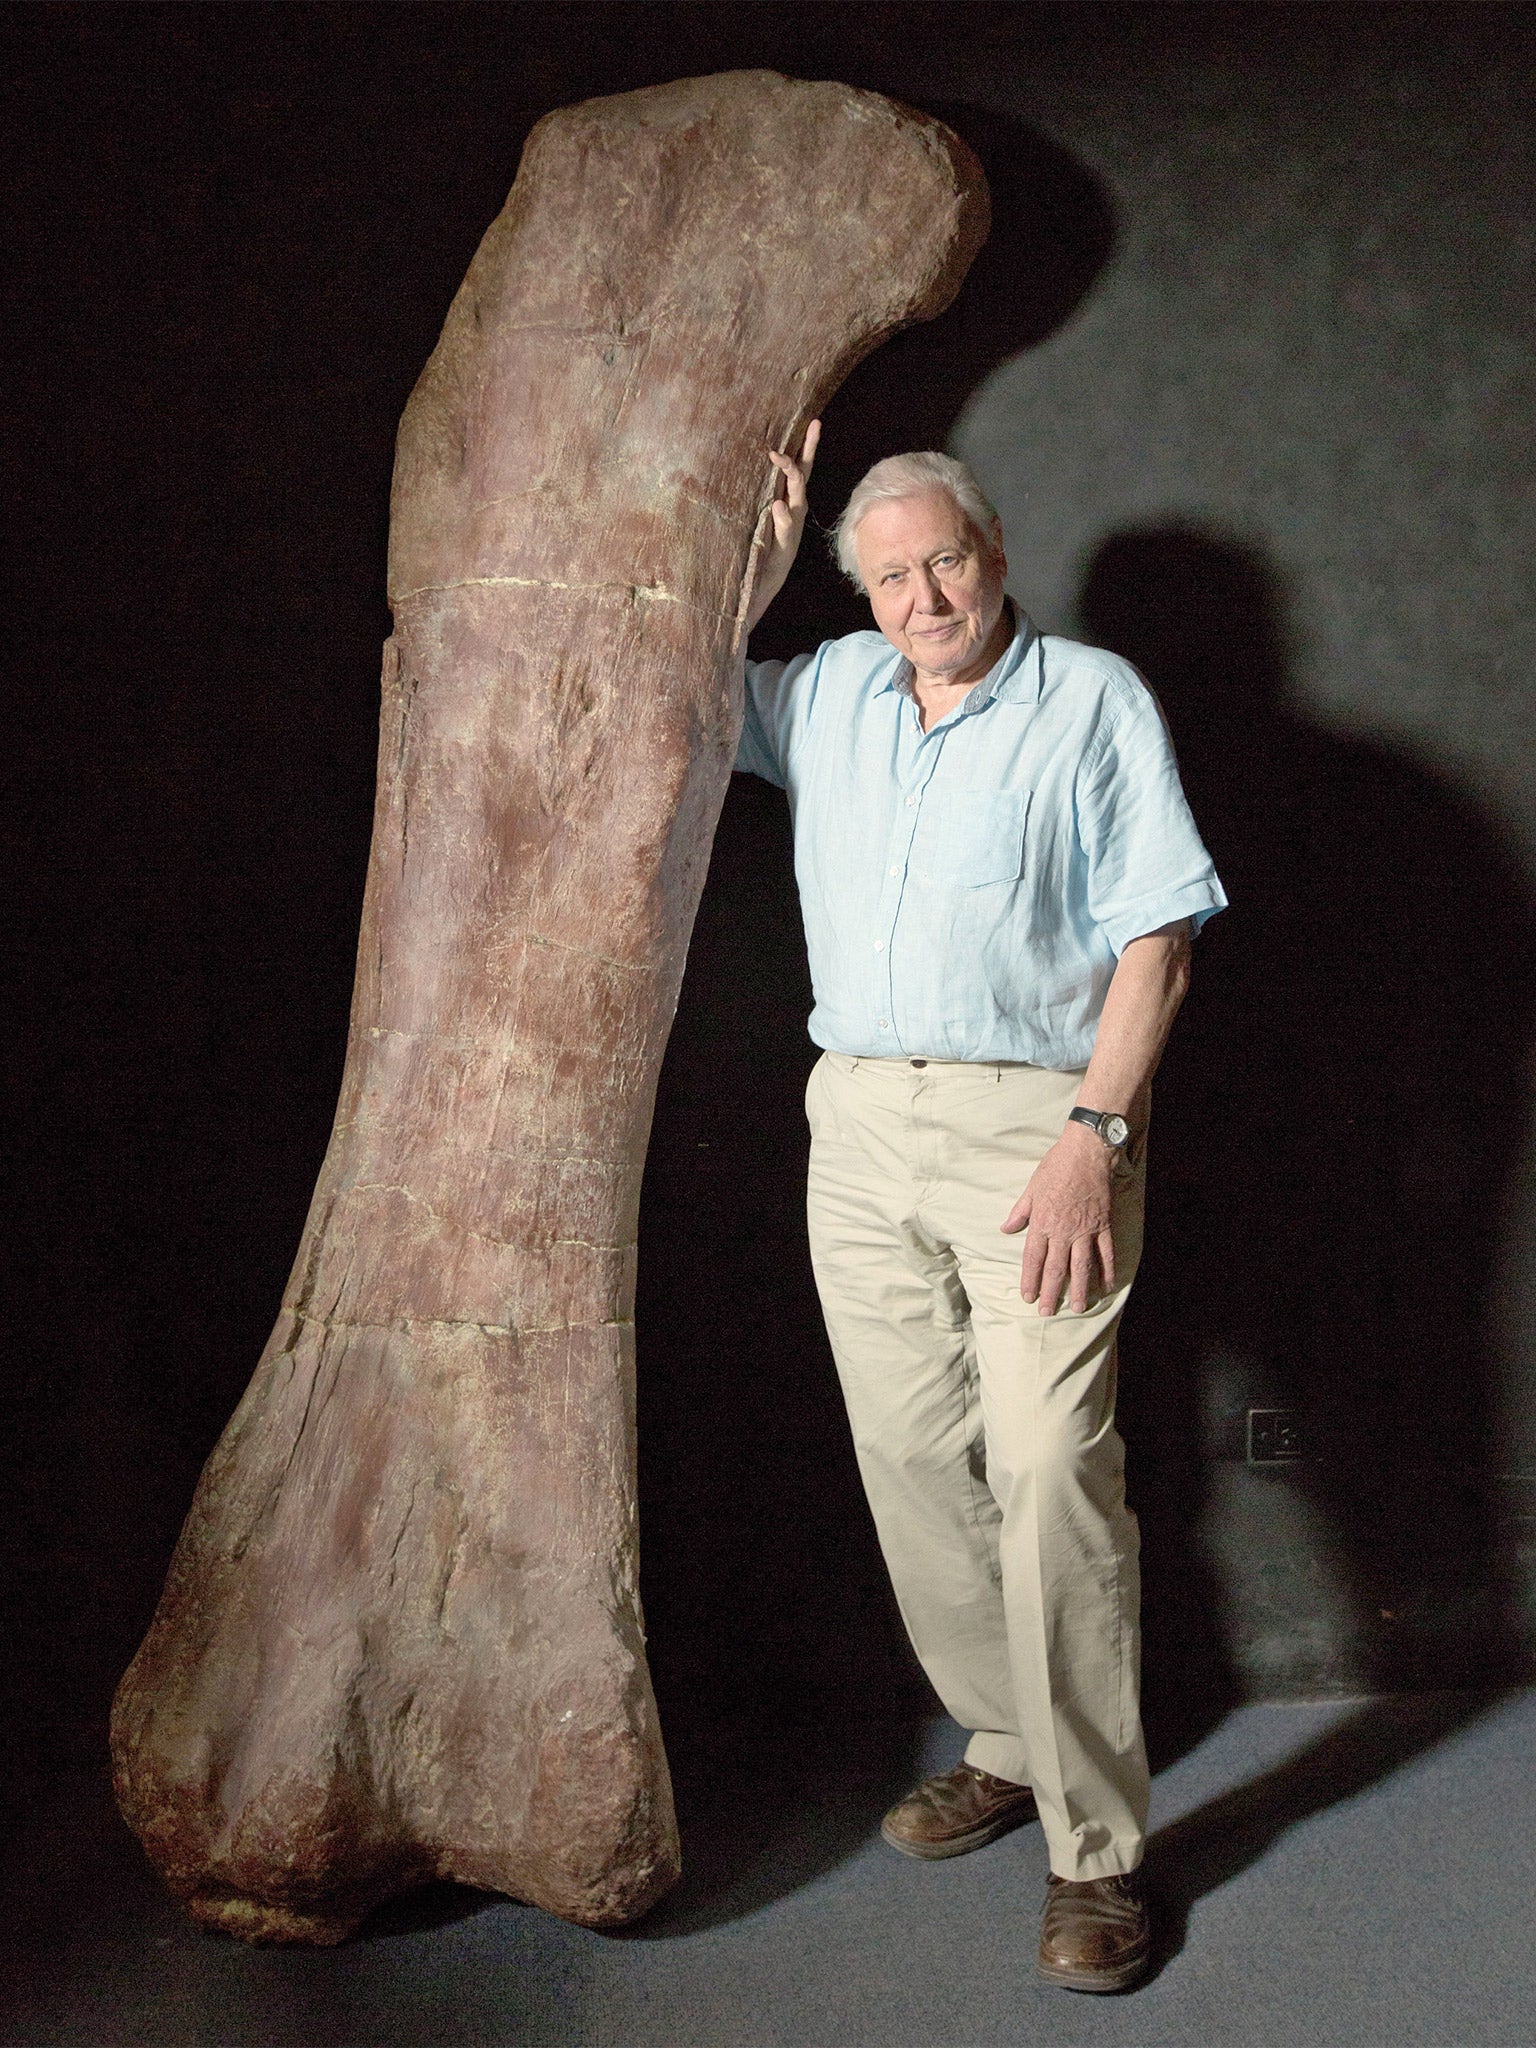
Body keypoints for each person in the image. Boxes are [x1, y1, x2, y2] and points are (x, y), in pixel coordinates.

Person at [735, 421, 1227, 1993]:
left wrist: (1098, 1127)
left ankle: (1099, 1855)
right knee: (910, 1453)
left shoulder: (1091, 699)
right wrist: (754, 552)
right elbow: (676, 672)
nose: (922, 594)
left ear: (995, 553)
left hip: (1040, 1129)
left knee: (1047, 1463)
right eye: (888, 574)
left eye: (943, 558)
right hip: (861, 1121)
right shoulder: (820, 699)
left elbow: (1156, 939)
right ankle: (1006, 1742)